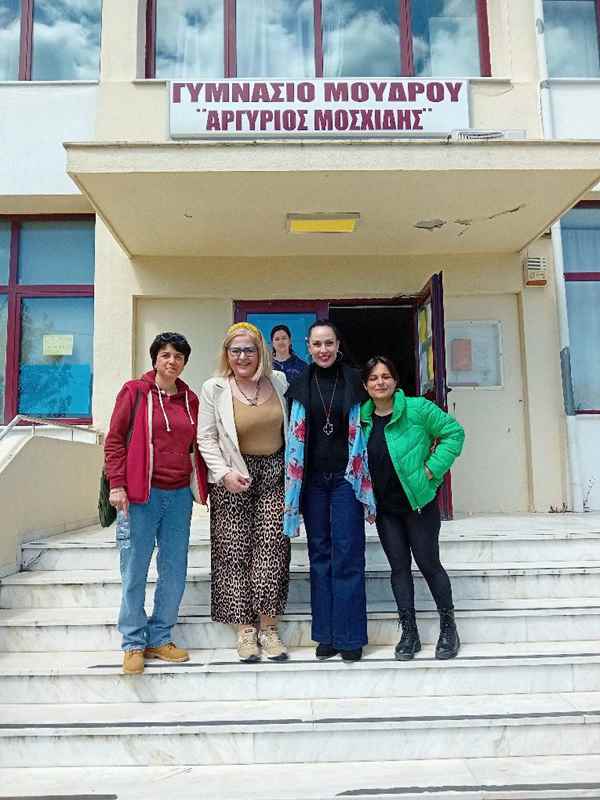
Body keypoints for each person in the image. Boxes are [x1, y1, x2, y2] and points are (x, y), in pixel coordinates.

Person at [104, 332, 208, 675]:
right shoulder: (135, 392)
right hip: (141, 495)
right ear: (155, 359)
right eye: (165, 355)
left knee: (174, 570)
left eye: (178, 356)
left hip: (179, 496)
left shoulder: (191, 400)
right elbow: (114, 441)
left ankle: (160, 637)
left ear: (184, 362)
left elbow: (200, 445)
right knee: (135, 569)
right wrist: (117, 484)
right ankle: (133, 642)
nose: (172, 361)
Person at [360, 355, 465, 661]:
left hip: (419, 505)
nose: (380, 382)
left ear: (395, 380)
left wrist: (432, 470)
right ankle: (410, 633)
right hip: (386, 511)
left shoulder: (418, 408)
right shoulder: (361, 420)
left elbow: (454, 433)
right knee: (399, 569)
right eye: (373, 378)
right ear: (365, 386)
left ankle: (449, 627)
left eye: (385, 376)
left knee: (428, 563)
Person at [198, 322, 290, 663]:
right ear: (226, 354)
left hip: (274, 474)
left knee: (272, 547)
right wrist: (223, 474)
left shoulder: (278, 381)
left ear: (260, 352)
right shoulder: (214, 388)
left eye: (249, 350)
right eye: (235, 350)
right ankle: (245, 631)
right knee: (233, 552)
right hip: (233, 474)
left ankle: (268, 627)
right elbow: (205, 437)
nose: (242, 357)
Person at [284, 319, 376, 663]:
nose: (323, 350)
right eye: (317, 344)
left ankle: (350, 636)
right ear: (308, 347)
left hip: (346, 480)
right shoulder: (298, 384)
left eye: (329, 343)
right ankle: (325, 634)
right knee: (320, 555)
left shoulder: (355, 380)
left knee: (348, 554)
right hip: (311, 482)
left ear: (338, 346)